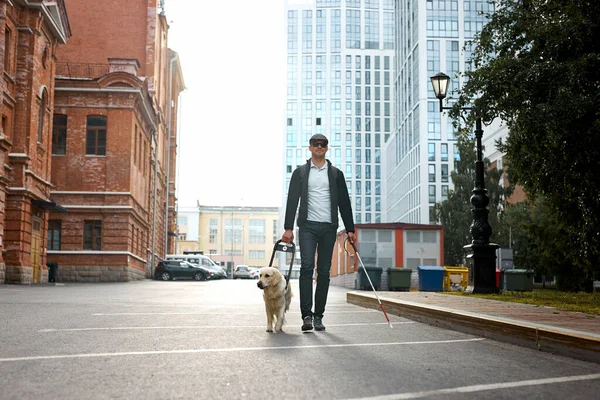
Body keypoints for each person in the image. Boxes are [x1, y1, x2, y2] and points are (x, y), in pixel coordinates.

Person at [281, 133, 355, 332]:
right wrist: (288, 228)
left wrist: (350, 229)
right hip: (307, 227)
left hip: (329, 227)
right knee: (306, 267)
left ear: (327, 148)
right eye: (316, 144)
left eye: (323, 144)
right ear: (310, 147)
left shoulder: (335, 174)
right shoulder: (301, 172)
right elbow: (292, 201)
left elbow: (344, 202)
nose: (319, 147)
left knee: (323, 271)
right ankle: (306, 315)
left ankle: (318, 316)